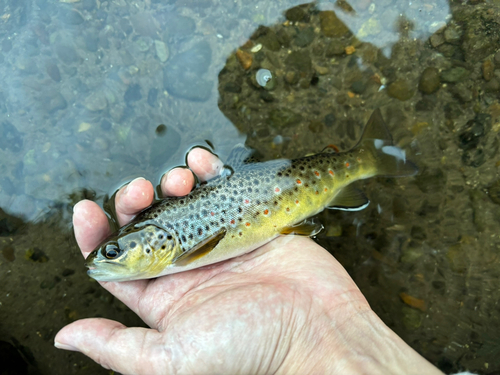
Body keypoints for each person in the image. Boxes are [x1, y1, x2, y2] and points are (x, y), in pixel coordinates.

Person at [55, 147, 444, 374]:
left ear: (153, 241)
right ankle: (371, 157)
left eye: (112, 252)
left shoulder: (179, 252)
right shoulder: (169, 252)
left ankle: (370, 158)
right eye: (112, 252)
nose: (102, 262)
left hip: (286, 190)